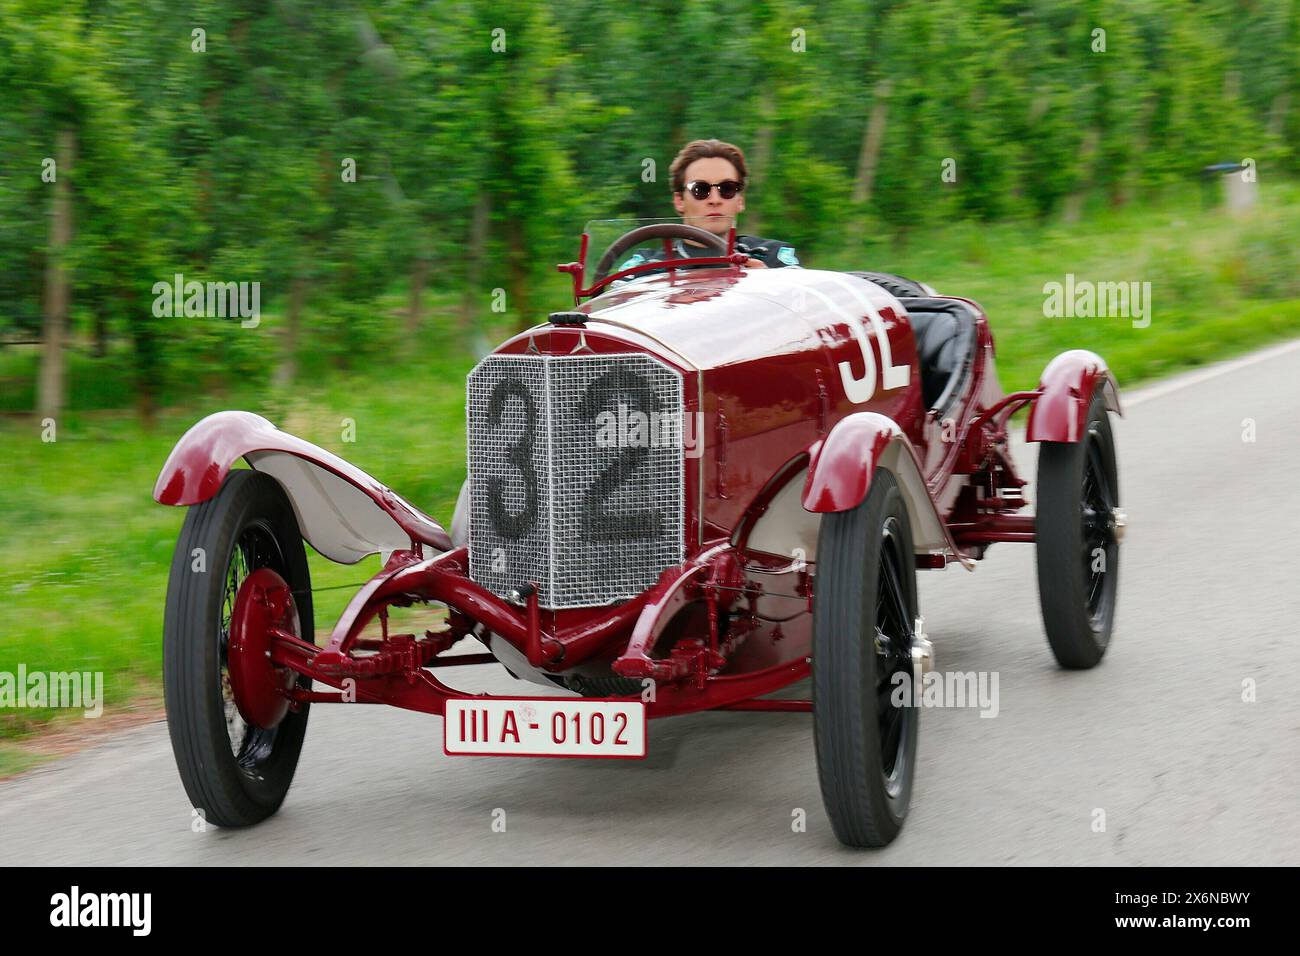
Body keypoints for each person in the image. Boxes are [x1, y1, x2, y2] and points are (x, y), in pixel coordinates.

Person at [621, 139, 800, 273]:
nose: (714, 199)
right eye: (700, 189)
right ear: (679, 201)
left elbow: (807, 306)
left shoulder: (772, 257)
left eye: (727, 189)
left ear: (740, 200)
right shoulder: (644, 267)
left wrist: (768, 285)